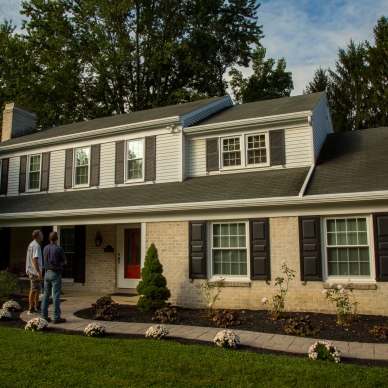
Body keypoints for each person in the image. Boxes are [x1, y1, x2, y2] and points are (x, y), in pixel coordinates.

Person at [41, 231, 67, 324]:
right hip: (55, 273)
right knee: (56, 295)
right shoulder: (58, 249)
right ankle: (56, 317)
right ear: (57, 239)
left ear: (49, 239)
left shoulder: (45, 248)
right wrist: (59, 263)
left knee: (45, 295)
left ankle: (43, 316)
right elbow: (64, 262)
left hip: (46, 273)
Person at [25, 230, 43, 315]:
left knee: (37, 289)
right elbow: (35, 259)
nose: (42, 235)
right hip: (33, 271)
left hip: (33, 270)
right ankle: (31, 309)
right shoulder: (36, 246)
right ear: (37, 236)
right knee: (33, 289)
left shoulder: (32, 244)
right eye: (41, 234)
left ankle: (36, 307)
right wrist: (38, 272)